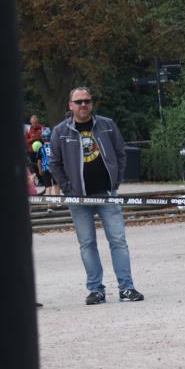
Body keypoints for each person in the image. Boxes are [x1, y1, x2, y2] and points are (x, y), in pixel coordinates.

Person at [48, 87, 145, 305]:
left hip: (106, 194)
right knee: (87, 243)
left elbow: (120, 153)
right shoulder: (60, 131)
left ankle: (126, 288)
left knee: (118, 241)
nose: (83, 105)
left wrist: (116, 181)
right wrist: (67, 188)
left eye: (87, 101)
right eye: (79, 101)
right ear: (70, 105)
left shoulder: (107, 125)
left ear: (91, 104)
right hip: (79, 198)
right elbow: (54, 163)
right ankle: (95, 290)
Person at [38, 126, 60, 196]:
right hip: (54, 168)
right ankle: (58, 203)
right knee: (56, 185)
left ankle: (49, 205)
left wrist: (40, 170)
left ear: (42, 138)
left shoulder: (41, 148)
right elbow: (58, 158)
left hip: (45, 168)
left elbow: (39, 161)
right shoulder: (55, 147)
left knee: (48, 187)